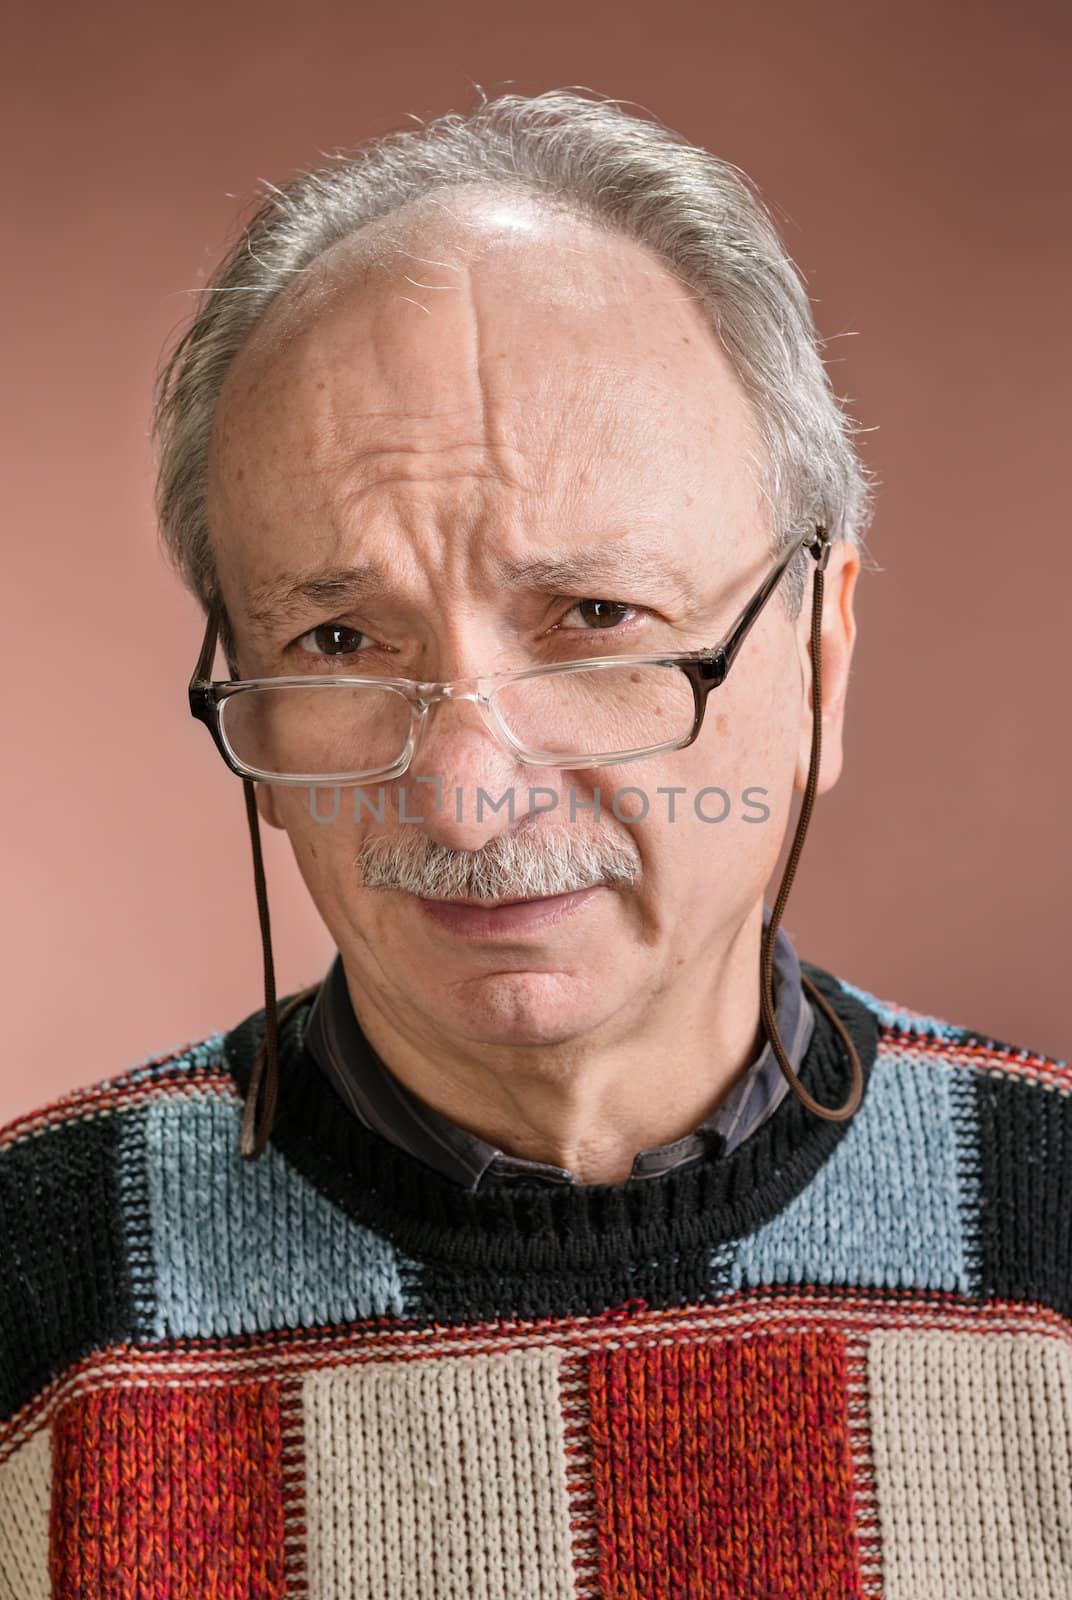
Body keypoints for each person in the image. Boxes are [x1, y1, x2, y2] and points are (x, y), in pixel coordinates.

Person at [1, 89, 1068, 1599]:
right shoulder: (36, 1292)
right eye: (341, 638)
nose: (464, 794)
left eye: (595, 620)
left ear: (821, 658)